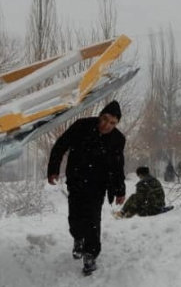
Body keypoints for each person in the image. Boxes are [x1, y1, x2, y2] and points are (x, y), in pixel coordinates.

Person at [47, 100, 126, 275]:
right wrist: (53, 169)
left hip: (98, 186)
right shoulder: (82, 126)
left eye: (112, 123)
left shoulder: (118, 139)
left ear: (116, 124)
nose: (107, 125)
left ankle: (90, 255)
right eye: (105, 119)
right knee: (75, 217)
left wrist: (120, 190)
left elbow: (118, 166)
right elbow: (60, 146)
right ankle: (78, 238)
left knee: (93, 220)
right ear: (100, 116)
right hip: (76, 181)